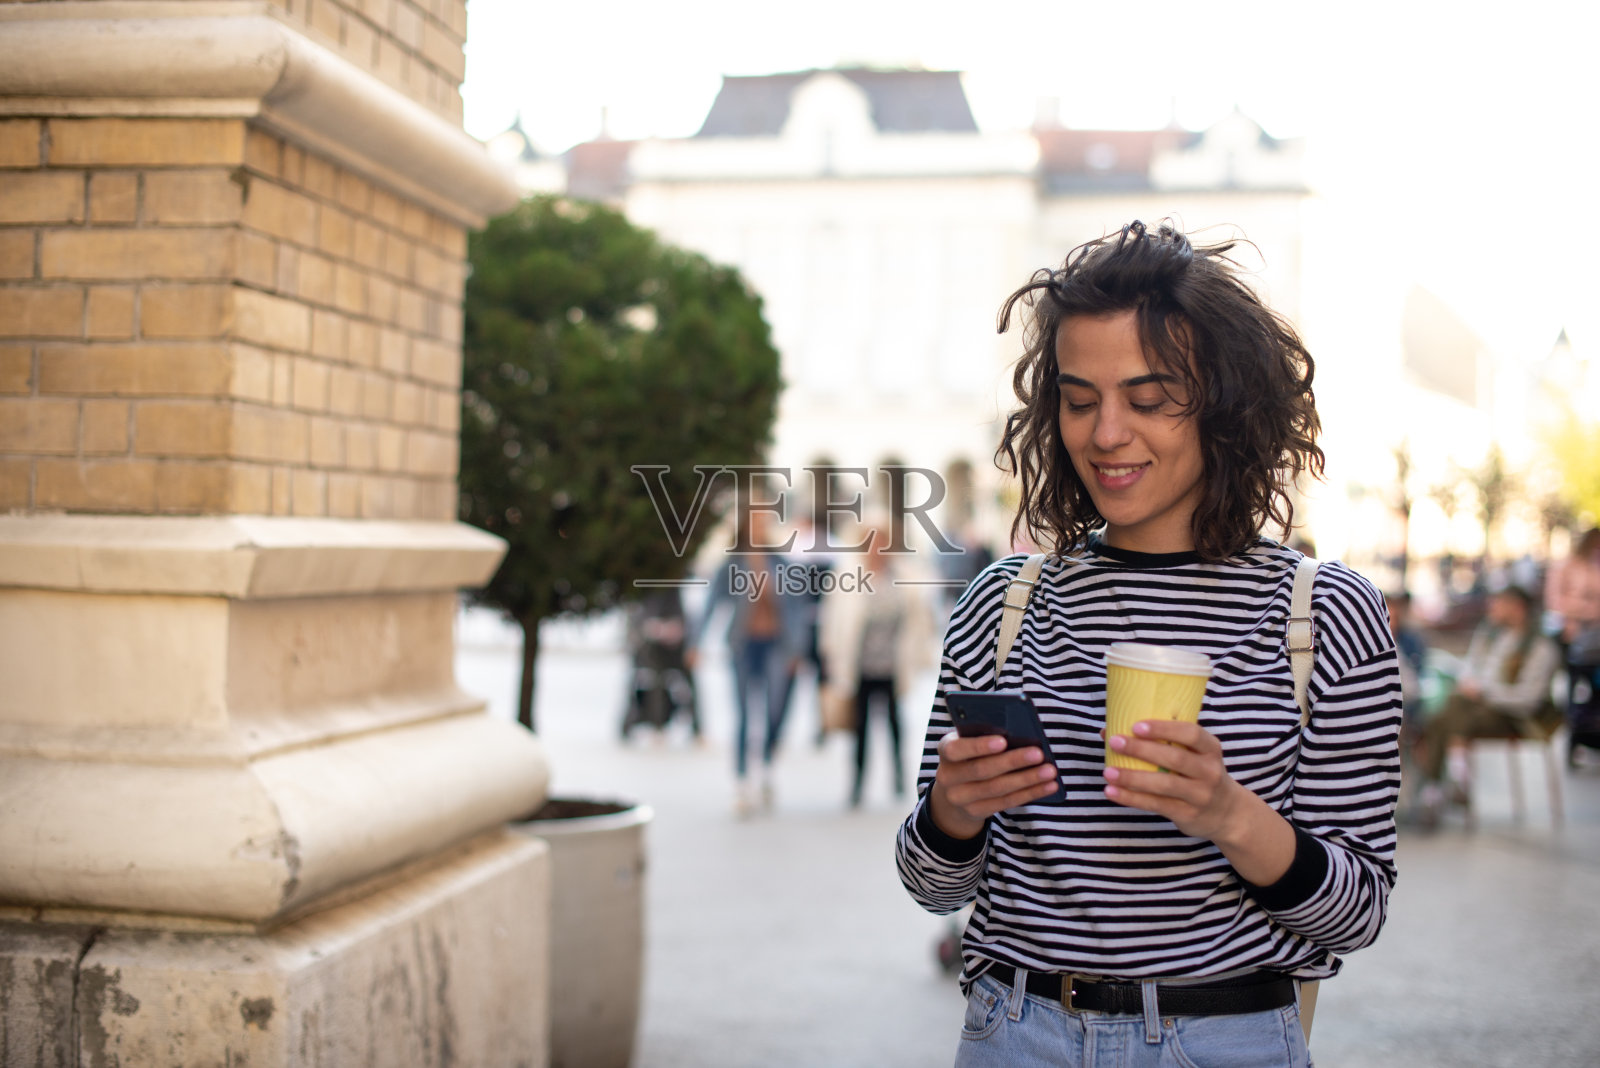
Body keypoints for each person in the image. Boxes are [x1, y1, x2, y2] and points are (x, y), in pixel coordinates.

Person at [894, 221, 1401, 1067]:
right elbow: (930, 883)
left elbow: (1356, 914)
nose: (1105, 434)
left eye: (1149, 398)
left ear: (1225, 406)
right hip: (1017, 1032)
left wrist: (1228, 814)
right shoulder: (1004, 605)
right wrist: (953, 810)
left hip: (1227, 1040)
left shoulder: (1323, 615)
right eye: (1079, 400)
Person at [1415, 574, 1562, 822]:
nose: (1492, 608)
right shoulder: (1490, 634)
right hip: (1477, 707)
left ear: (1517, 608)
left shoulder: (1540, 646)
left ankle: (1437, 786)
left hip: (1516, 716)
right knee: (1452, 707)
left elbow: (1528, 699)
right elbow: (1471, 667)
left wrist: (1485, 692)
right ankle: (1454, 778)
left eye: (1498, 603)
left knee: (1448, 716)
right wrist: (1471, 685)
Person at [688, 508, 805, 815]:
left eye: (764, 521)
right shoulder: (732, 563)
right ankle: (741, 780)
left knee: (775, 710)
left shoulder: (781, 562)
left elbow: (796, 610)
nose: (760, 526)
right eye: (755, 521)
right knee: (742, 714)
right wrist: (696, 643)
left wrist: (797, 650)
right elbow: (711, 604)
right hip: (743, 645)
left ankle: (766, 765)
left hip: (776, 645)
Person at [819, 519, 935, 808]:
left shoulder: (904, 573)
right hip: (860, 664)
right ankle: (857, 783)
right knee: (861, 726)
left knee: (895, 723)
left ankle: (899, 777)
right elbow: (832, 618)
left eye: (881, 540)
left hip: (893, 663)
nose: (876, 547)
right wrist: (830, 655)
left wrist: (921, 653)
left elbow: (919, 617)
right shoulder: (848, 574)